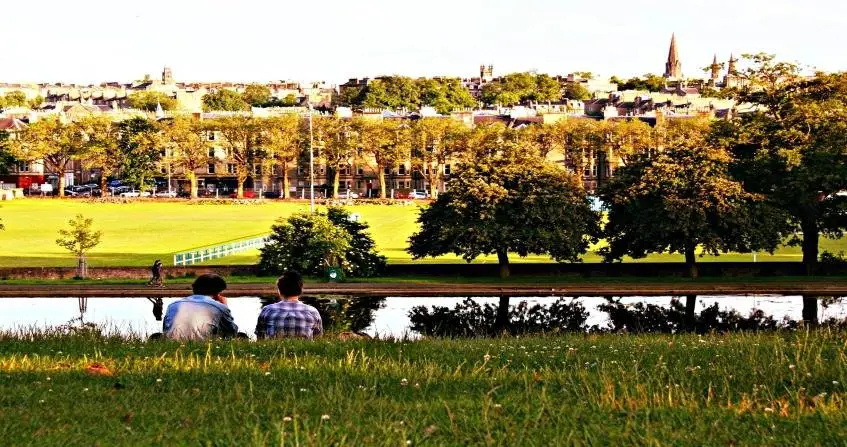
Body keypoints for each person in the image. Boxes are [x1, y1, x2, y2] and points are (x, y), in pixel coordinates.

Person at [162, 273, 239, 341]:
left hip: (172, 343)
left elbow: (166, 329)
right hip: (204, 344)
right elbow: (231, 333)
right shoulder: (219, 307)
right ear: (217, 293)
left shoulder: (173, 305)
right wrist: (224, 306)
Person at [255, 270, 323, 339]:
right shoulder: (313, 312)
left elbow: (260, 338)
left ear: (279, 291)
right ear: (301, 290)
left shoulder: (268, 310)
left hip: (275, 349)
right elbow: (318, 339)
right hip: (304, 350)